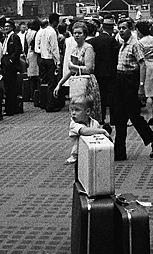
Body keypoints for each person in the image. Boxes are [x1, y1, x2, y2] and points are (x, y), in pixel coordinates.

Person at [110, 18, 153, 162]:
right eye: (119, 28)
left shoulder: (135, 44)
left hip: (130, 81)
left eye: (124, 28)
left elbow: (143, 65)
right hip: (120, 81)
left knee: (133, 115)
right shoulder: (122, 44)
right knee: (120, 117)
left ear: (131, 29)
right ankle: (120, 152)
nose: (121, 31)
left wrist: (140, 86)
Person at [54, 20, 101, 163]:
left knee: (87, 116)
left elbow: (89, 68)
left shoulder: (88, 48)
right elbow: (69, 70)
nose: (77, 36)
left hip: (87, 85)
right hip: (76, 85)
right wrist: (60, 84)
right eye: (75, 33)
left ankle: (93, 147)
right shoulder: (74, 49)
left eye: (79, 33)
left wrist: (74, 67)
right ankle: (76, 151)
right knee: (75, 118)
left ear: (85, 34)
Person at [89, 15, 119, 132]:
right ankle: (113, 119)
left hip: (98, 72)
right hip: (111, 73)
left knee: (100, 96)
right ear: (111, 28)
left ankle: (100, 118)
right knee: (112, 96)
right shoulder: (112, 40)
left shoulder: (94, 41)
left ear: (102, 27)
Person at [35, 14, 60, 110]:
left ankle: (43, 102)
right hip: (50, 59)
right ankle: (50, 105)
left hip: (43, 58)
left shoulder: (43, 31)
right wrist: (58, 61)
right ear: (55, 21)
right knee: (52, 83)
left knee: (44, 81)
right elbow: (54, 48)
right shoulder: (52, 32)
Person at [1, 19, 22, 116]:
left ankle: (11, 108)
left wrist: (11, 60)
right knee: (8, 86)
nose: (6, 28)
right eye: (5, 27)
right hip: (5, 61)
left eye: (8, 27)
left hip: (11, 64)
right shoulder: (6, 37)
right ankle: (10, 107)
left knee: (11, 86)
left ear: (12, 27)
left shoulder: (14, 37)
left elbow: (18, 50)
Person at [26, 19, 40, 104]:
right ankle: (36, 95)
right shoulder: (35, 33)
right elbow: (35, 45)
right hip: (34, 55)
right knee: (36, 76)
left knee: (31, 77)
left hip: (29, 54)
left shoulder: (27, 33)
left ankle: (32, 95)